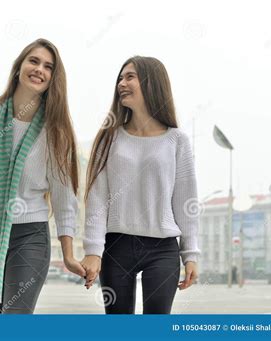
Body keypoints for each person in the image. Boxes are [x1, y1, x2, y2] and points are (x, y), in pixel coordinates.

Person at [0, 38, 85, 314]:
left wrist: (69, 254)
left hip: (30, 233)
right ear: (18, 67)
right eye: (33, 61)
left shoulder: (55, 128)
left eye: (48, 66)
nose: (39, 69)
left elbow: (63, 196)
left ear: (53, 79)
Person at [81, 56, 201, 314]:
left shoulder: (177, 140)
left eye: (130, 77)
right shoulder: (109, 138)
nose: (121, 83)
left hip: (163, 249)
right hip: (116, 247)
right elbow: (97, 199)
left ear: (151, 83)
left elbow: (186, 201)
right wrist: (93, 250)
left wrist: (190, 254)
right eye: (120, 78)